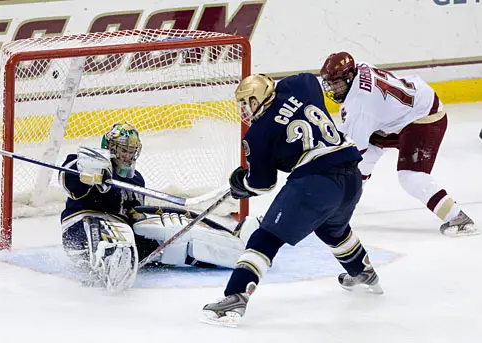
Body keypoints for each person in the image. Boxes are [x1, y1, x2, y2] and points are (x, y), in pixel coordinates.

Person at [200, 73, 383, 328]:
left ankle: (235, 297)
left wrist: (241, 184)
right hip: (352, 175)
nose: (244, 110)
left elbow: (263, 184)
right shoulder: (302, 84)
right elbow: (306, 83)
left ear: (256, 100)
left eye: (246, 102)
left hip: (316, 182)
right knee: (333, 228)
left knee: (265, 238)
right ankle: (362, 271)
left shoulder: (258, 134)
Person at [60, 122, 254, 292]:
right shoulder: (92, 164)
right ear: (110, 148)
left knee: (173, 240)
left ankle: (235, 247)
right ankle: (112, 259)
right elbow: (69, 178)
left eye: (131, 151)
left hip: (124, 232)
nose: (128, 156)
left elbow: (134, 216)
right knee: (116, 236)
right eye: (123, 150)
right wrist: (92, 172)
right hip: (80, 228)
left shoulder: (136, 180)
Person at [320, 52, 478, 237]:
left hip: (423, 116)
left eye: (336, 83)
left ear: (349, 77)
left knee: (411, 177)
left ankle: (459, 219)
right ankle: (345, 204)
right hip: (399, 115)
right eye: (330, 83)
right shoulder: (359, 67)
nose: (332, 88)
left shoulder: (360, 105)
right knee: (365, 159)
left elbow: (351, 152)